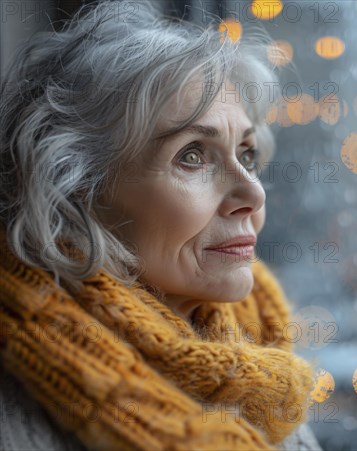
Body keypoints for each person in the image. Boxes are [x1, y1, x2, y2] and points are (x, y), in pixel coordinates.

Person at [0, 1, 322, 450]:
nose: (254, 195)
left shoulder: (261, 370)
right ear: (77, 191)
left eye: (246, 155)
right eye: (192, 156)